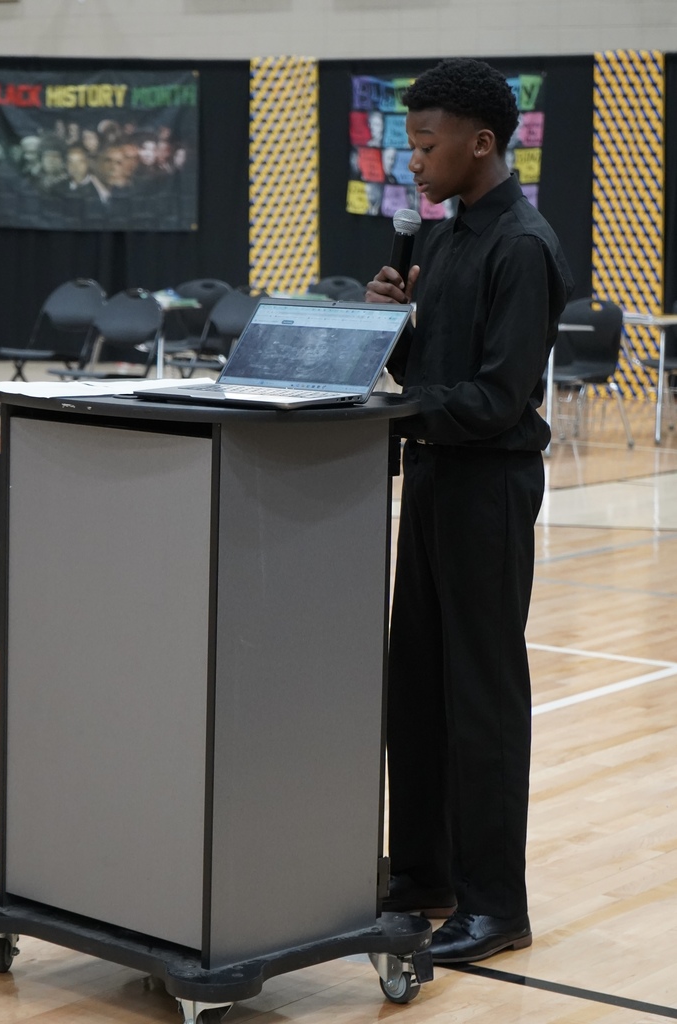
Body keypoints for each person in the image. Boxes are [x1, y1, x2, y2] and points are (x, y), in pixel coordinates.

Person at [366, 58, 573, 965]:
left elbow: (494, 397)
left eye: (424, 144)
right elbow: (434, 378)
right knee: (414, 684)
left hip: (488, 487)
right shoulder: (443, 243)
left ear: (481, 142)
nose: (411, 162)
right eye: (408, 144)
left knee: (481, 698)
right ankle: (420, 875)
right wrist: (393, 332)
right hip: (435, 476)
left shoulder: (520, 247)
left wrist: (399, 407)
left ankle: (496, 905)